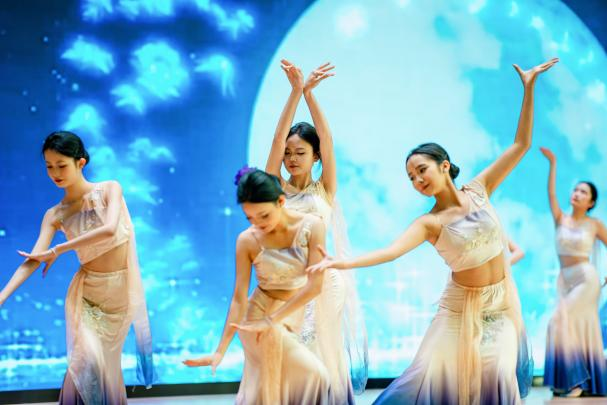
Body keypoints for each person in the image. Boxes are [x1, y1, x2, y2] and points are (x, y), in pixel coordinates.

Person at [307, 58, 559, 404]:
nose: (417, 180)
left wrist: (528, 88)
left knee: (499, 376)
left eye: (421, 170)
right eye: (411, 177)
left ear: (444, 165)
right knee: (421, 378)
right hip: (456, 311)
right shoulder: (429, 223)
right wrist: (340, 262)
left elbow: (520, 145)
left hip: (500, 308)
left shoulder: (479, 189)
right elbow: (390, 252)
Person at [0, 131, 154, 404]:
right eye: (49, 166)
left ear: (80, 162)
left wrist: (58, 250)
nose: (54, 173)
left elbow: (109, 229)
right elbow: (34, 258)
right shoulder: (55, 214)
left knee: (105, 370)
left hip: (119, 298)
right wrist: (2, 296)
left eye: (61, 165)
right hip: (87, 296)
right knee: (86, 362)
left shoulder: (110, 189)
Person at [184, 168, 335, 404]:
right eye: (250, 218)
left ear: (281, 201)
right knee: (315, 375)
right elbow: (239, 298)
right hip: (258, 320)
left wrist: (272, 320)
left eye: (264, 215)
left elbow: (315, 286)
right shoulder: (247, 240)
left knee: (282, 388)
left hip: (290, 315)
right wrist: (219, 352)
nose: (257, 224)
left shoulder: (313, 226)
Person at [265, 59, 368, 398]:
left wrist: (310, 95)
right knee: (292, 354)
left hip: (325, 284)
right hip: (287, 282)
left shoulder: (325, 189)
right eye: (288, 154)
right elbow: (276, 139)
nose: (291, 158)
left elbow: (327, 138)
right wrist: (294, 92)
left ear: (316, 157)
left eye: (300, 152)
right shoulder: (275, 188)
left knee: (322, 353)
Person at [540, 146, 607, 397]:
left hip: (585, 279)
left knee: (557, 321)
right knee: (565, 326)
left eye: (583, 192)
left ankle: (576, 382)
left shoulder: (594, 224)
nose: (577, 194)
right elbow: (550, 193)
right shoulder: (561, 218)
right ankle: (574, 380)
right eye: (576, 190)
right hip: (566, 280)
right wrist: (553, 164)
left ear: (591, 202)